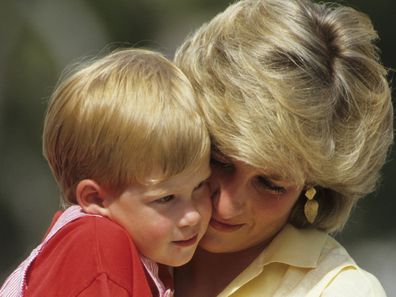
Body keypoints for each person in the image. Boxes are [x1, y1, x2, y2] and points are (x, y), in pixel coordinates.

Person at [173, 0, 393, 296]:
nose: (227, 204)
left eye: (271, 184)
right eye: (219, 160)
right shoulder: (110, 219)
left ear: (312, 186)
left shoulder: (339, 290)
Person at [0, 48, 212, 297]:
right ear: (95, 199)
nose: (192, 216)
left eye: (200, 185)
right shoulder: (97, 249)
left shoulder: (127, 253)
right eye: (166, 198)